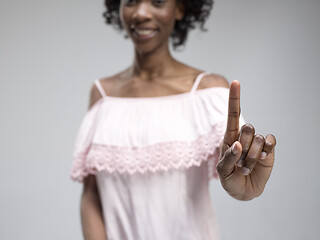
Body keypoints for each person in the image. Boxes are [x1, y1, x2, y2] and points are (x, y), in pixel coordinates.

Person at [71, 0, 277, 239]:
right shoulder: (102, 95)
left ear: (180, 8)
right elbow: (92, 195)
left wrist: (244, 187)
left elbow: (242, 179)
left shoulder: (208, 92)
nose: (141, 13)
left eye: (157, 1)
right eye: (131, 1)